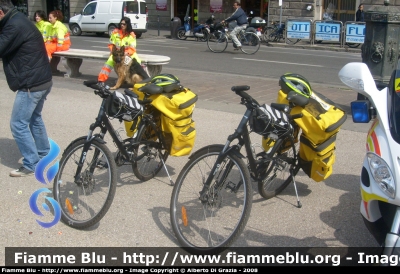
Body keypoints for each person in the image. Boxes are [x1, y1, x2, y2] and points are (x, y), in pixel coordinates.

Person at [0, 0, 53, 177]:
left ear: (0, 12)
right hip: (42, 79)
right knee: (34, 118)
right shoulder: (17, 19)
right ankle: (44, 151)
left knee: (18, 124)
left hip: (32, 84)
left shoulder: (13, 26)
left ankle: (31, 163)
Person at [98, 17, 141, 85]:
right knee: (108, 63)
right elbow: (111, 44)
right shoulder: (115, 32)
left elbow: (132, 48)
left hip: (129, 54)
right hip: (117, 54)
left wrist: (127, 53)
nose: (122, 25)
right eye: (121, 24)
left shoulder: (131, 35)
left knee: (137, 62)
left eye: (124, 24)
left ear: (128, 25)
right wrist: (113, 51)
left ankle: (136, 80)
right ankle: (101, 81)